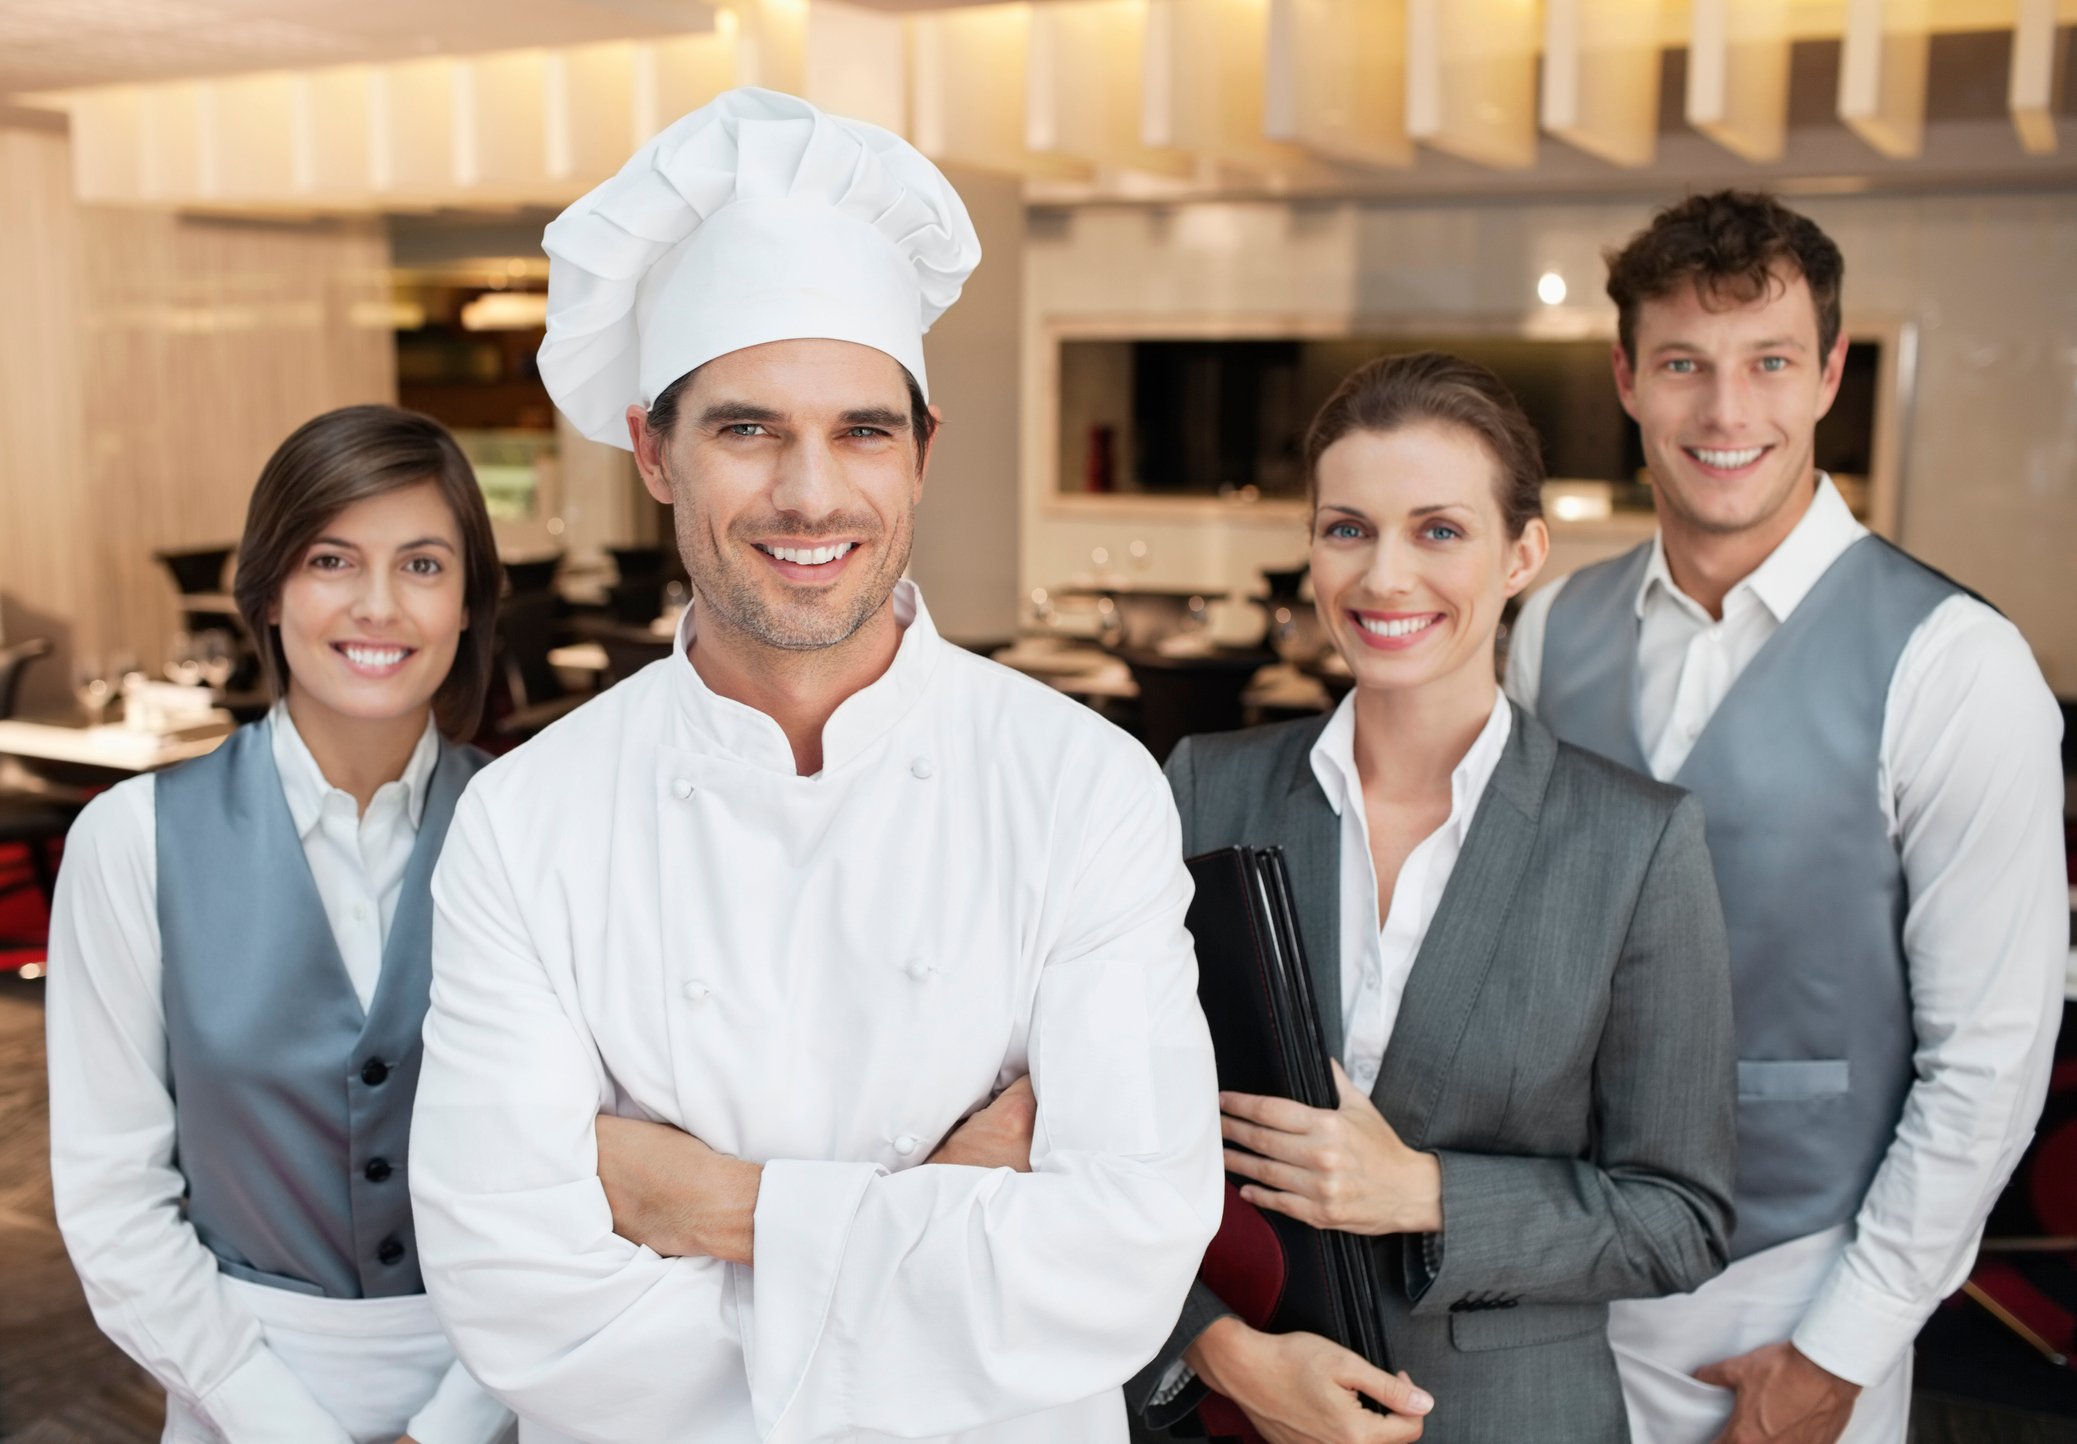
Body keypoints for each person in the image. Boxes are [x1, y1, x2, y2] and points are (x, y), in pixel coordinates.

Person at [405, 87, 1225, 1444]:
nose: (810, 493)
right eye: (745, 429)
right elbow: (515, 1294)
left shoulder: (1084, 787)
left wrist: (709, 1211)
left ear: (922, 455)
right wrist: (942, 1214)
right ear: (653, 453)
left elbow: (1121, 1258)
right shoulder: (526, 821)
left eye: (860, 429)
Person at [1507, 190, 2068, 1444]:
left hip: (1791, 1290)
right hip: (1553, 1273)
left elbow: (1989, 1059)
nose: (1724, 412)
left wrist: (1842, 1347)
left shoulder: (1955, 664)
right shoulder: (1550, 626)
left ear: (1826, 374)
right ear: (1627, 380)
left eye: (1766, 363)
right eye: (1683, 366)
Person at [1131, 352, 1739, 1444]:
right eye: (1347, 528)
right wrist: (1222, 1350)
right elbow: (1095, 1131)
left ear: (1523, 556)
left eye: (1439, 530)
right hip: (1231, 1412)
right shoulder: (1197, 788)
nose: (1383, 577)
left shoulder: (1636, 841)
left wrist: (1421, 1191)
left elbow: (1679, 1218)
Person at [46, 405, 513, 1444]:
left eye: (425, 565)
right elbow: (113, 1198)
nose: (378, 605)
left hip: (509, 1385)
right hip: (235, 1387)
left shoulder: (538, 834)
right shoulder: (132, 843)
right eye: (332, 558)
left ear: (474, 599)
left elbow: (594, 1171)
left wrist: (451, 1427)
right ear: (265, 588)